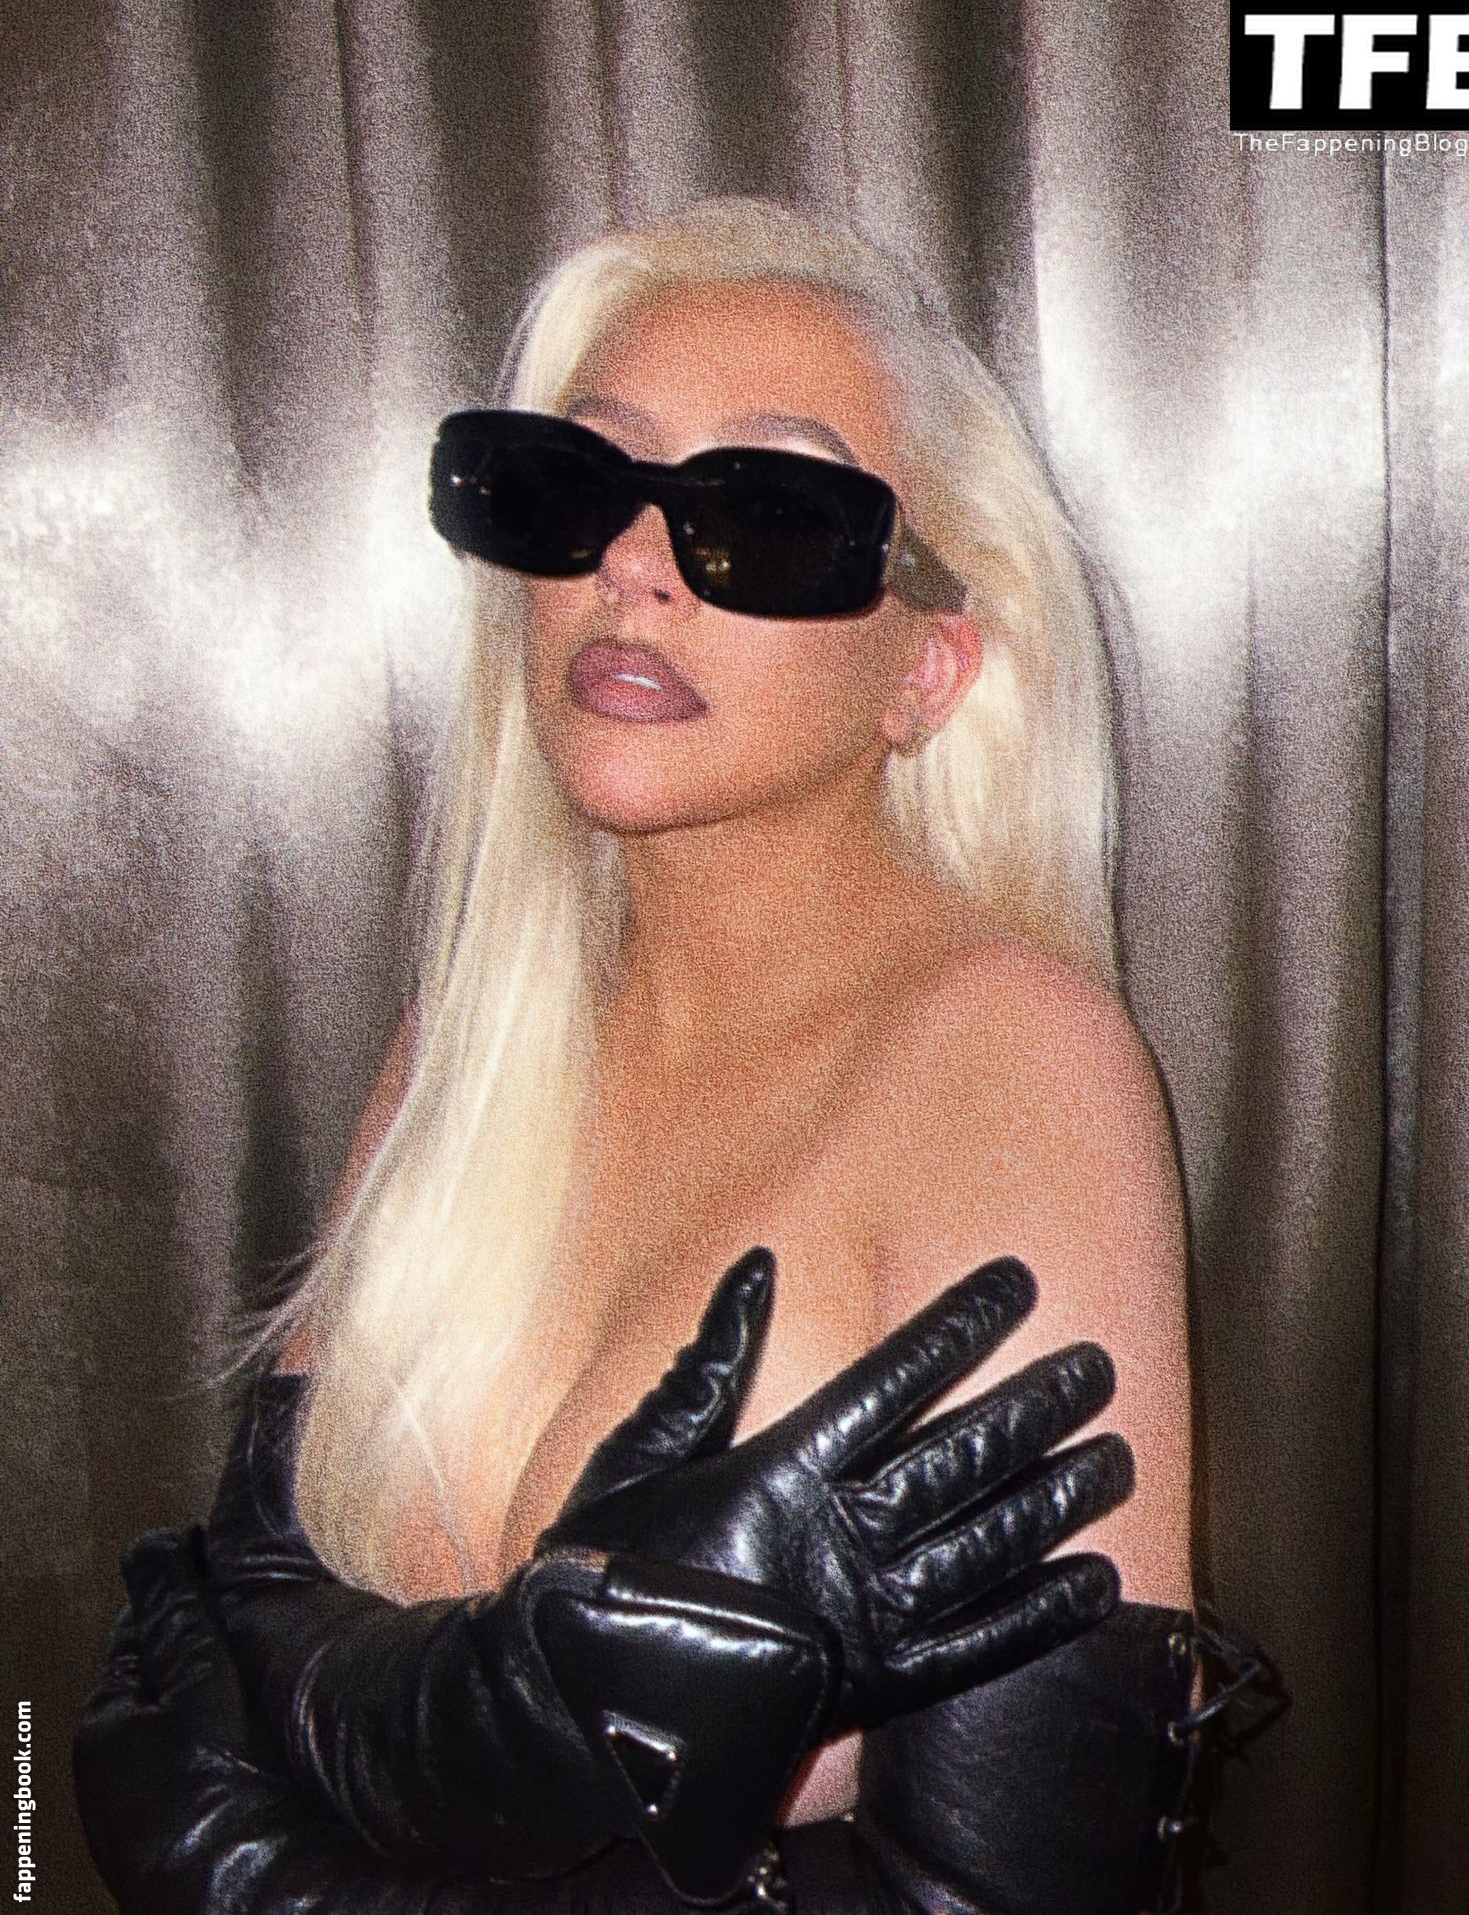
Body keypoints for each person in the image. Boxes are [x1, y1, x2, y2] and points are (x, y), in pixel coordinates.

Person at [75, 196, 1263, 1914]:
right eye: (575, 487)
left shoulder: (1011, 1066)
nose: (631, 567)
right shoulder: (471, 1050)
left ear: (927, 669)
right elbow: (184, 1671)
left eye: (767, 515)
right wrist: (473, 1719)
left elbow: (1008, 1895)